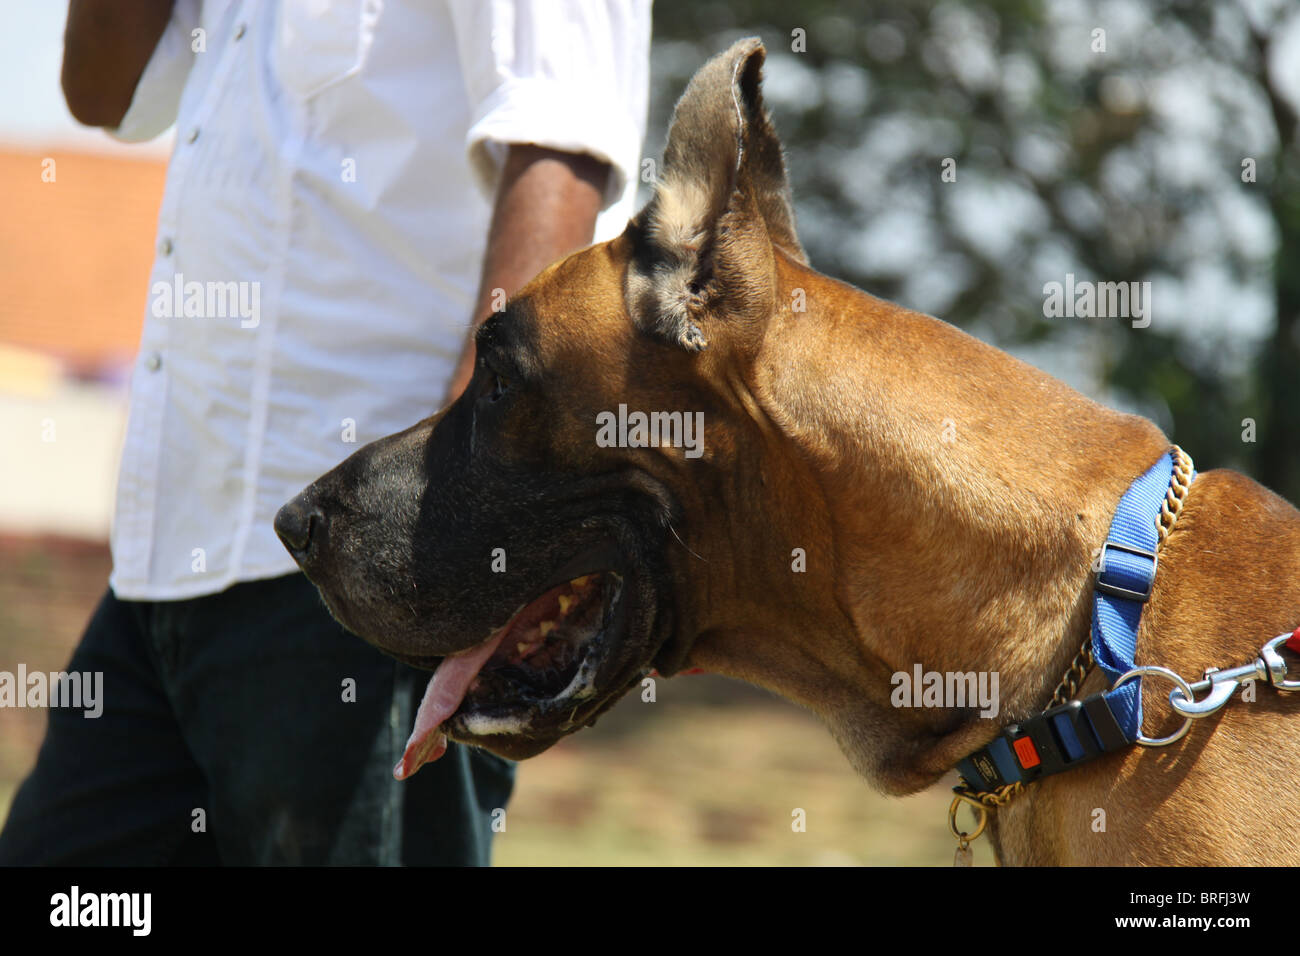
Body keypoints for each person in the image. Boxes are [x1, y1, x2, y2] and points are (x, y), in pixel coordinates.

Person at [0, 0, 650, 865]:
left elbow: (561, 152)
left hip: (375, 569)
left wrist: (465, 527)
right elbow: (104, 94)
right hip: (171, 557)